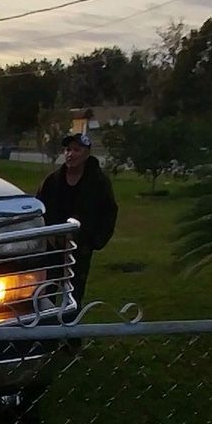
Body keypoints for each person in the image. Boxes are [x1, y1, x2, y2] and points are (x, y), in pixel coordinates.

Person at [38, 133, 118, 313]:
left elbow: (109, 212)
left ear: (86, 154)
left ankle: (71, 334)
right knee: (46, 291)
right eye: (67, 149)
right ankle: (46, 333)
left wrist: (94, 241)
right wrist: (46, 236)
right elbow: (40, 209)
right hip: (53, 247)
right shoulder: (52, 181)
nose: (70, 154)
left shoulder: (98, 183)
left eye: (76, 150)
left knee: (74, 293)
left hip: (80, 248)